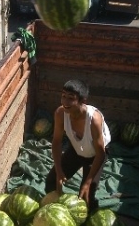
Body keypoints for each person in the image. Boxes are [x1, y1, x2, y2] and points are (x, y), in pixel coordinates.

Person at [45, 79, 111, 212]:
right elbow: (57, 142)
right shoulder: (60, 114)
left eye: (71, 98)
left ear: (83, 101)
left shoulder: (94, 119)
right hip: (76, 150)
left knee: (86, 197)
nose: (65, 102)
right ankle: (54, 214)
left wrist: (87, 182)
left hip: (95, 156)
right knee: (51, 182)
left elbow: (100, 153)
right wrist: (58, 171)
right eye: (63, 96)